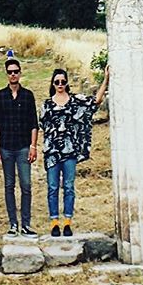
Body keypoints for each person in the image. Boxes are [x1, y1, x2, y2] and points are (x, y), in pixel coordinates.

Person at [39, 64, 110, 236]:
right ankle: (54, 222)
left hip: (70, 152)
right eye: (57, 82)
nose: (60, 84)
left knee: (69, 187)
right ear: (53, 84)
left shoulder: (75, 101)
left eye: (63, 81)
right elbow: (41, 126)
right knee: (53, 187)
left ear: (67, 83)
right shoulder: (47, 105)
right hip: (52, 153)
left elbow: (96, 102)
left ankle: (67, 222)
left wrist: (106, 79)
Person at [0, 54, 39, 236]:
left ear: (20, 73)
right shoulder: (0, 96)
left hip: (23, 146)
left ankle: (25, 224)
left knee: (26, 185)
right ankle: (13, 224)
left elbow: (34, 123)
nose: (13, 75)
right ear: (6, 74)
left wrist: (33, 146)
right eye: (10, 72)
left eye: (16, 72)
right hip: (6, 146)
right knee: (9, 185)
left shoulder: (28, 95)